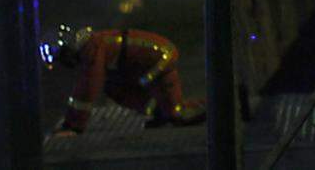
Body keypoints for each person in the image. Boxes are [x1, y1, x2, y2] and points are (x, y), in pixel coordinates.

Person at [40, 24, 206, 135]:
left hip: (157, 61)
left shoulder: (92, 50)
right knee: (114, 87)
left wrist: (73, 126)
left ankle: (213, 108)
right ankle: (159, 110)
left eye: (62, 59)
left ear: (68, 51)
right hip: (148, 63)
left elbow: (87, 88)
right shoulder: (94, 46)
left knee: (177, 113)